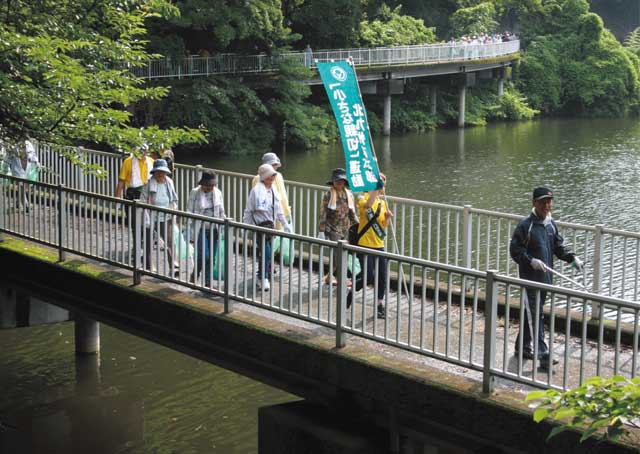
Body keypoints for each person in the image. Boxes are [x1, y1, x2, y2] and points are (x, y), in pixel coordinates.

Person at [509, 187, 583, 368]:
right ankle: (544, 356)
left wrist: (571, 258)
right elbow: (515, 250)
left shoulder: (550, 224)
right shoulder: (526, 225)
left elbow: (558, 246)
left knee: (532, 314)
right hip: (530, 280)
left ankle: (522, 347)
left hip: (546, 280)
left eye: (549, 202)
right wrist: (530, 260)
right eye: (543, 202)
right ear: (534, 203)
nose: (547, 205)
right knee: (536, 316)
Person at [346, 173, 392, 318]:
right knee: (369, 276)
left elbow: (384, 227)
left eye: (383, 183)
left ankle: (380, 305)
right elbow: (367, 206)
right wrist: (374, 189)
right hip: (365, 243)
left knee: (382, 276)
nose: (381, 186)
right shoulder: (362, 197)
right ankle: (353, 288)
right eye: (379, 183)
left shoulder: (383, 203)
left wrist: (388, 218)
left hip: (379, 243)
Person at [243, 164, 289, 291]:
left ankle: (260, 276)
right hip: (259, 227)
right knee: (267, 253)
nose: (272, 179)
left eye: (273, 176)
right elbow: (248, 210)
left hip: (271, 227)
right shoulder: (256, 191)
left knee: (265, 253)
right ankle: (264, 278)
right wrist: (245, 228)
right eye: (269, 176)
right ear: (263, 177)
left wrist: (284, 223)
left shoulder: (273, 190)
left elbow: (278, 209)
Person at [318, 168, 358, 284]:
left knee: (338, 255)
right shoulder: (329, 194)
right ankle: (342, 278)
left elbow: (352, 212)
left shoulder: (349, 194)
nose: (339, 183)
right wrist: (321, 230)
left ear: (345, 182)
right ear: (333, 182)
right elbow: (323, 213)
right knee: (339, 254)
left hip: (345, 228)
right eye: (337, 180)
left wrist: (358, 226)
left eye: (341, 180)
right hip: (332, 228)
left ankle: (330, 276)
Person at [186, 171, 225, 287]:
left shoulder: (218, 193)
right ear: (202, 184)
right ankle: (196, 274)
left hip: (214, 228)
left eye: (212, 185)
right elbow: (189, 211)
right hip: (200, 228)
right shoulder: (195, 193)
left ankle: (207, 282)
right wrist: (190, 233)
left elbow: (221, 211)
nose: (209, 188)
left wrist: (224, 225)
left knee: (211, 257)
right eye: (207, 185)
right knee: (205, 255)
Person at [140, 159, 179, 275]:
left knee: (170, 241)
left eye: (163, 172)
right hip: (150, 216)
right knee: (148, 242)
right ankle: (148, 266)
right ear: (154, 172)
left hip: (166, 216)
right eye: (158, 172)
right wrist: (146, 217)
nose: (161, 174)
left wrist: (174, 211)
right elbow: (142, 201)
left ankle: (173, 265)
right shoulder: (148, 184)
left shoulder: (169, 182)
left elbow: (174, 198)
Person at [251, 153, 291, 230]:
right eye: (272, 164)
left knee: (286, 237)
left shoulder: (279, 175)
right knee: (271, 237)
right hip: (269, 216)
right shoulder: (258, 179)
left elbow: (283, 194)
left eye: (276, 164)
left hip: (284, 212)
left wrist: (287, 210)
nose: (275, 166)